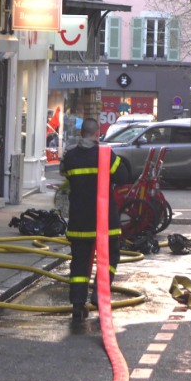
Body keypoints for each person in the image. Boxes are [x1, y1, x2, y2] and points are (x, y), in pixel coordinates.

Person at [59, 118, 128, 320]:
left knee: (79, 264)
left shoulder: (70, 157)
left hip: (79, 222)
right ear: (98, 134)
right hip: (104, 221)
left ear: (81, 134)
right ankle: (99, 294)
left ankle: (78, 305)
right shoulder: (106, 155)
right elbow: (123, 177)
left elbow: (66, 175)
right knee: (110, 258)